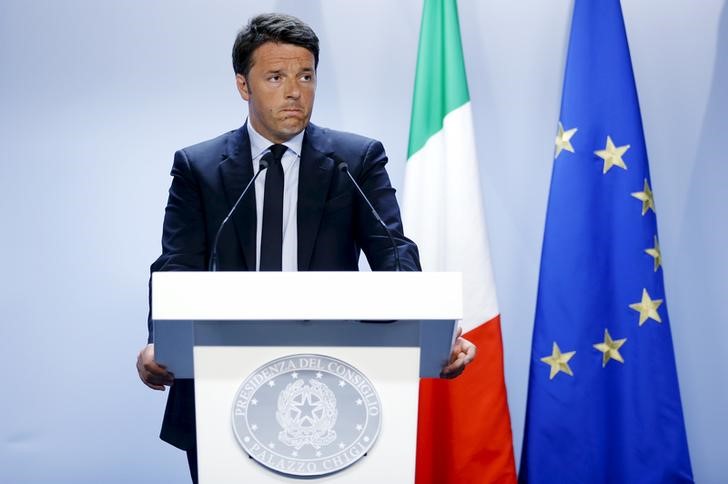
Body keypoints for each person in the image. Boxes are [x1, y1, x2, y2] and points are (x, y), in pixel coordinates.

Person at [136, 13, 476, 483]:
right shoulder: (200, 167)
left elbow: (394, 252)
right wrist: (160, 340)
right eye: (276, 77)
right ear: (243, 85)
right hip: (222, 383)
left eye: (306, 76)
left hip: (340, 385)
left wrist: (437, 330)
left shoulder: (354, 160)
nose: (294, 91)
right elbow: (176, 266)